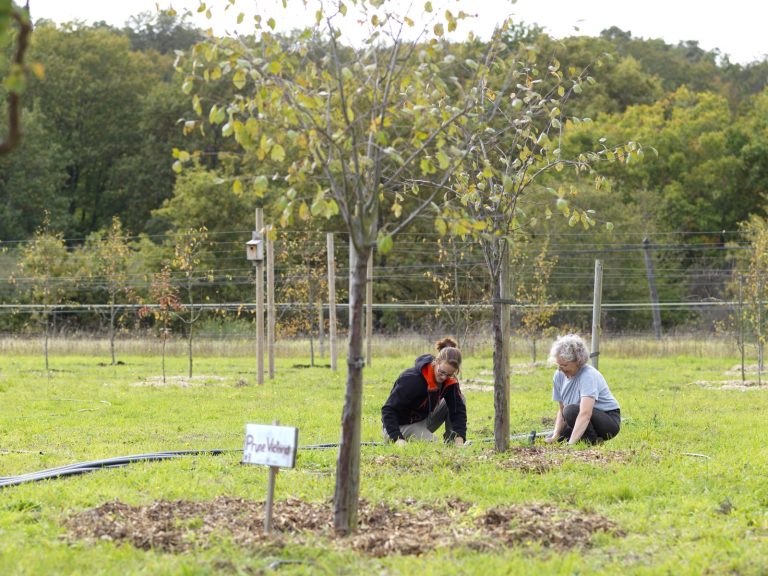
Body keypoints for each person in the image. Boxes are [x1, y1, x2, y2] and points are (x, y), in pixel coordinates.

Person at [382, 337, 467, 446]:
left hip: (423, 420)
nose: (444, 377)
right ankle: (403, 439)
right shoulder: (412, 379)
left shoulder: (449, 381)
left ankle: (453, 445)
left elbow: (458, 410)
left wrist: (460, 436)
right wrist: (397, 438)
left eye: (449, 374)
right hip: (399, 426)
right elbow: (388, 409)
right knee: (434, 445)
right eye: (441, 372)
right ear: (436, 361)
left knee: (460, 399)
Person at [544, 334, 621, 445]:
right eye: (558, 365)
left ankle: (592, 441)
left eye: (564, 365)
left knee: (570, 411)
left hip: (608, 420)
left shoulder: (588, 375)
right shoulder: (558, 375)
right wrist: (555, 436)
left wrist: (571, 444)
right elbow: (562, 411)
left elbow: (585, 413)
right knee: (559, 437)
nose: (560, 369)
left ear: (578, 362)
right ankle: (589, 439)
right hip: (578, 415)